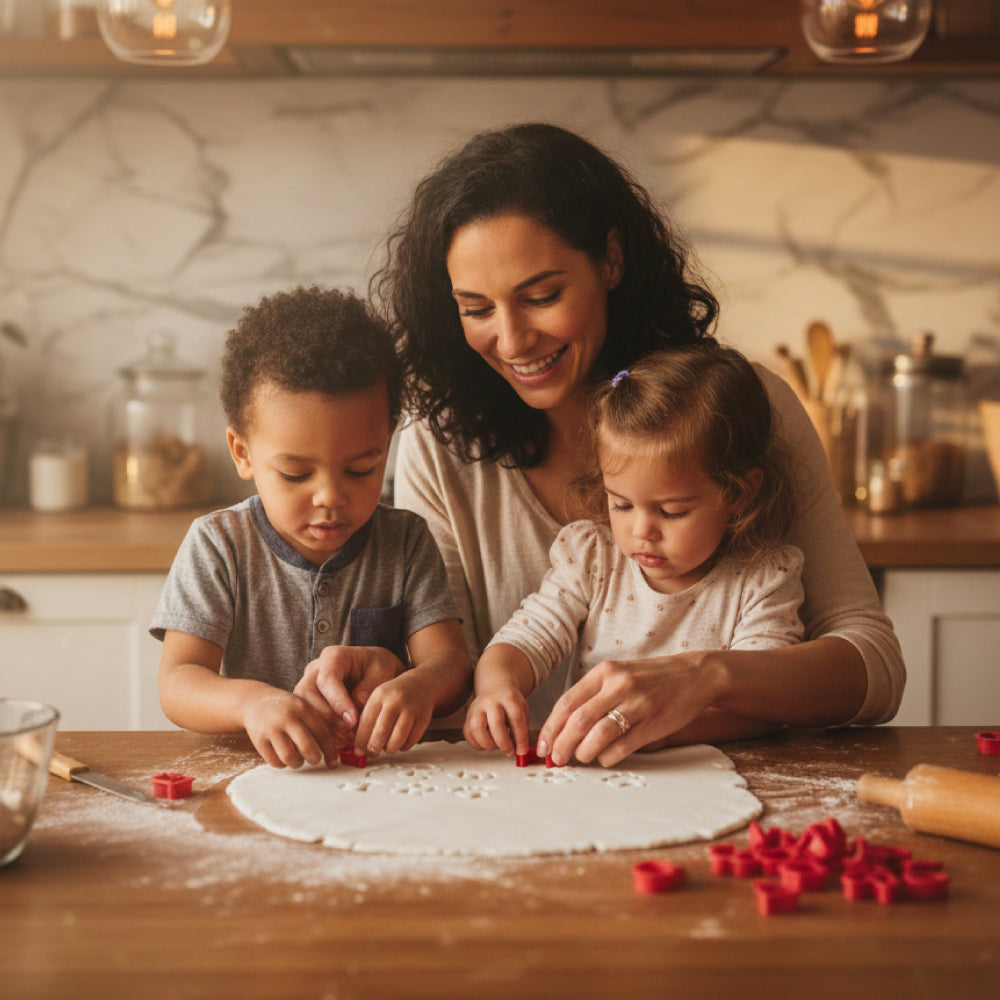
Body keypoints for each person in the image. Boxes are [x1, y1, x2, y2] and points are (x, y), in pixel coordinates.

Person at [375, 121, 904, 767]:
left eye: (542, 296)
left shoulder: (743, 408)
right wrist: (398, 673)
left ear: (612, 260)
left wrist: (708, 677)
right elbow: (454, 673)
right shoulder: (437, 446)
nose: (511, 341)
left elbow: (874, 668)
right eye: (477, 309)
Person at [151, 285, 472, 770]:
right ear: (243, 453)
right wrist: (253, 704)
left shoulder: (405, 541)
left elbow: (451, 665)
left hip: (375, 778)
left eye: (361, 468)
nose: (330, 497)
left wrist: (419, 686)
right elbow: (178, 682)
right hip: (257, 772)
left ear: (386, 443)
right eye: (296, 474)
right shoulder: (220, 544)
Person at [463, 345, 805, 757]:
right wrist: (497, 687)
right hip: (600, 778)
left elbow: (761, 706)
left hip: (706, 775)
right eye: (621, 505)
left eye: (672, 511)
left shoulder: (762, 579)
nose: (642, 531)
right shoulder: (592, 559)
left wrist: (660, 731)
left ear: (739, 493)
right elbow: (527, 638)